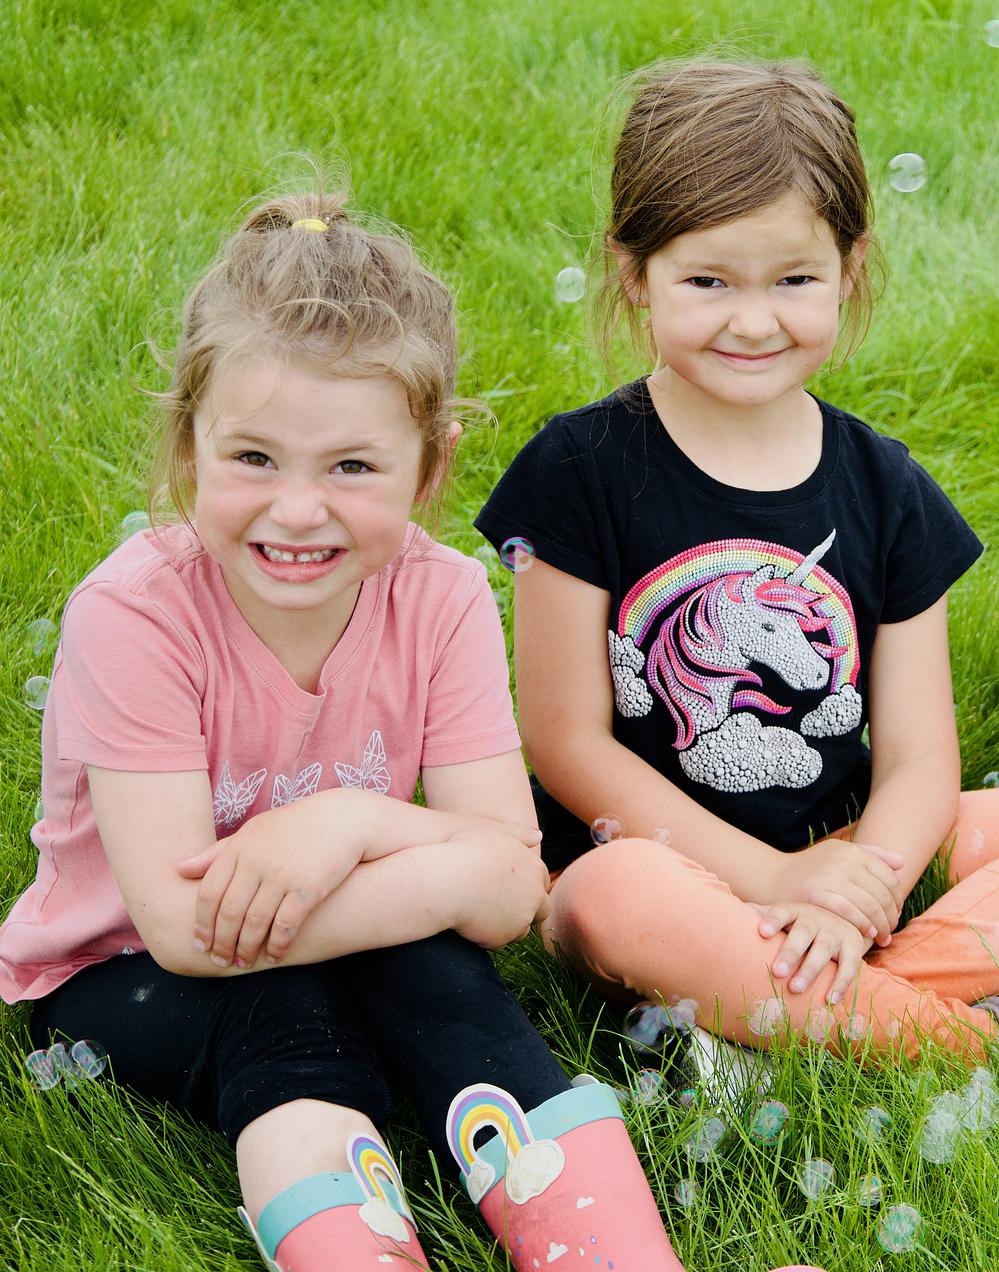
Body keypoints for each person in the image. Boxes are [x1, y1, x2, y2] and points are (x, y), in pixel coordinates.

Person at [0, 190, 714, 1271]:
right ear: (188, 447)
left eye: (352, 466)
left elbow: (511, 893)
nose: (298, 510)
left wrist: (348, 821)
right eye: (253, 458)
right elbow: (188, 930)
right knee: (285, 1010)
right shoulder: (135, 615)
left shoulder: (444, 599)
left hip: (326, 912)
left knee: (448, 985)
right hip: (121, 967)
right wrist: (450, 867)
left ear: (430, 467)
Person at [476, 59, 999, 1066]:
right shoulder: (576, 470)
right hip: (654, 870)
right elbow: (566, 743)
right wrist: (773, 882)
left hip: (838, 853)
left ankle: (813, 1001)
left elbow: (920, 761)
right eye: (707, 281)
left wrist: (859, 891)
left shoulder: (885, 486)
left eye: (793, 280)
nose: (753, 321)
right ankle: (949, 1041)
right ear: (633, 273)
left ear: (850, 267)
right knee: (609, 898)